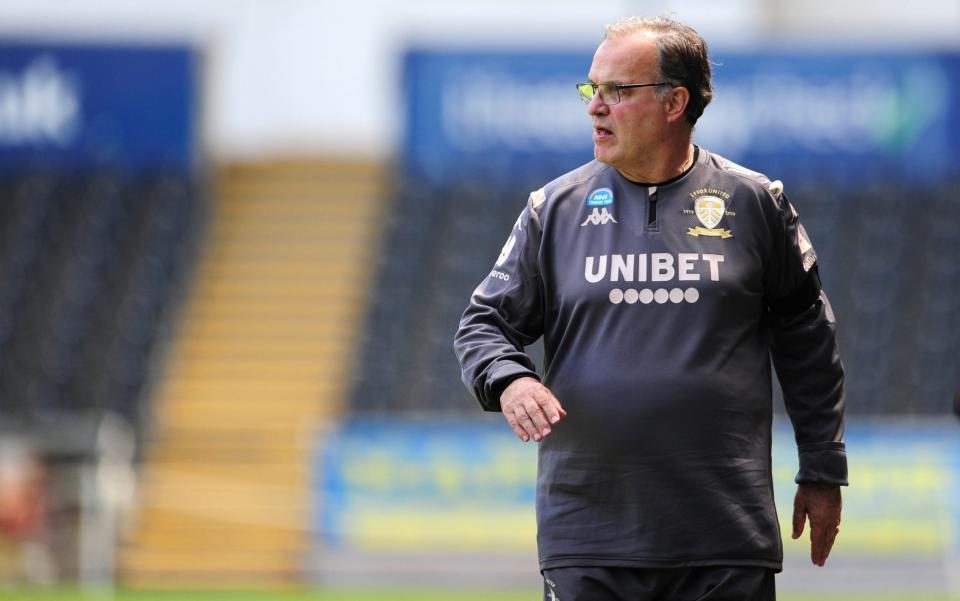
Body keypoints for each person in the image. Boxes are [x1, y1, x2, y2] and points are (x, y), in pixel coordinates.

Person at [453, 15, 847, 601]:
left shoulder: (756, 203)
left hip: (724, 534)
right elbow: (483, 325)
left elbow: (808, 339)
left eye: (617, 90)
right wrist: (509, 380)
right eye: (592, 89)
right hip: (589, 536)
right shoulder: (553, 209)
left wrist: (822, 468)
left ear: (674, 102)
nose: (595, 107)